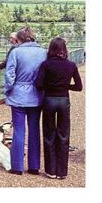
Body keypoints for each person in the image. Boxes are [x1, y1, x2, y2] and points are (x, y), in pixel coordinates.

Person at [35, 37, 83, 180]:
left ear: (50, 49)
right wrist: (65, 86)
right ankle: (61, 172)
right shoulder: (71, 65)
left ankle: (51, 170)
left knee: (49, 134)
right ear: (64, 49)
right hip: (64, 100)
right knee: (63, 135)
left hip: (49, 100)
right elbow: (79, 87)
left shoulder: (45, 64)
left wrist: (50, 86)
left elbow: (38, 84)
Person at [3, 26, 47, 175]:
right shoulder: (43, 52)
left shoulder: (16, 52)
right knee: (34, 130)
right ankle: (34, 166)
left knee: (19, 131)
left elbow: (10, 75)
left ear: (19, 39)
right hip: (36, 95)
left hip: (18, 95)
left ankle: (17, 166)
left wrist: (8, 90)